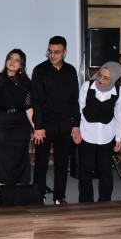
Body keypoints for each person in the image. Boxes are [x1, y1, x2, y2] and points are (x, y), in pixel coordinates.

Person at [31, 36, 81, 205]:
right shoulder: (39, 70)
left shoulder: (71, 71)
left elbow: (74, 99)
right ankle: (38, 196)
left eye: (57, 52)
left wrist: (76, 124)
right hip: (44, 125)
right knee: (41, 164)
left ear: (65, 52)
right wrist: (38, 126)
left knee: (62, 164)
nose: (52, 55)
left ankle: (59, 196)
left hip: (65, 124)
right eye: (50, 52)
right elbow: (36, 101)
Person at [0, 49, 34, 187]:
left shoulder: (26, 82)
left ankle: (15, 192)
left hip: (20, 125)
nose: (12, 62)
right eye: (10, 58)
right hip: (0, 123)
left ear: (21, 64)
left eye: (17, 60)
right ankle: (3, 191)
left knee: (18, 159)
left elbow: (28, 107)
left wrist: (36, 128)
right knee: (2, 159)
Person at [77, 62, 121, 203]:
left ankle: (105, 201)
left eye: (106, 78)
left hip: (107, 136)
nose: (101, 80)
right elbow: (79, 109)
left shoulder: (120, 91)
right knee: (85, 169)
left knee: (105, 169)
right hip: (86, 134)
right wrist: (77, 129)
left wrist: (119, 137)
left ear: (114, 78)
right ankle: (86, 201)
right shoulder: (87, 86)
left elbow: (119, 115)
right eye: (100, 76)